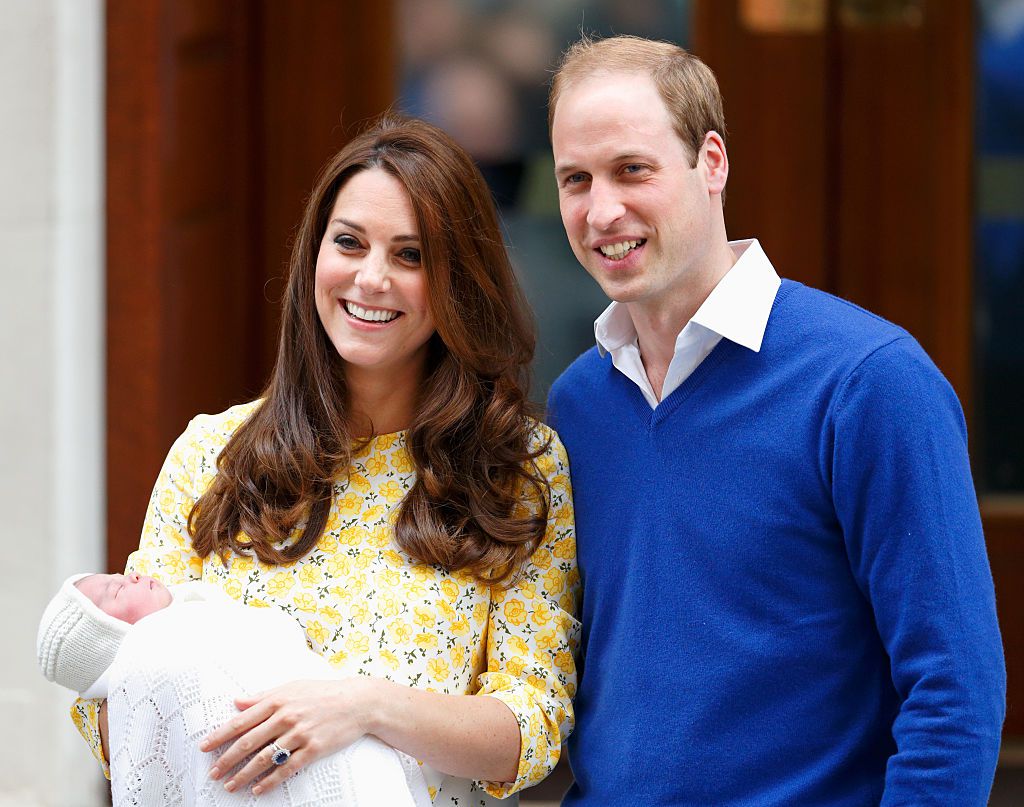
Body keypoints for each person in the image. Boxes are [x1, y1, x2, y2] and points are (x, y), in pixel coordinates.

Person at [545, 34, 1005, 806]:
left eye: (633, 170)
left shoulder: (870, 383)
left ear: (712, 162)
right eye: (575, 179)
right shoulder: (578, 405)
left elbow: (956, 692)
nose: (602, 209)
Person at [71, 115, 580, 806]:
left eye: (411, 255)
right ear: (315, 253)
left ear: (458, 279)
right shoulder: (211, 454)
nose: (371, 278)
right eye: (350, 243)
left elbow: (532, 728)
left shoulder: (516, 470)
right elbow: (112, 696)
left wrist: (362, 707)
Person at [39, 572, 431, 806]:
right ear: (109, 640)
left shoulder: (207, 616)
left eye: (118, 577)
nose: (132, 576)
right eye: (115, 592)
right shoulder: (164, 644)